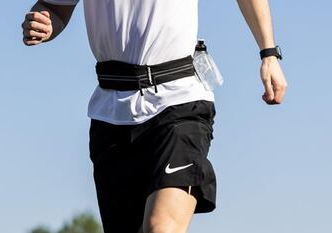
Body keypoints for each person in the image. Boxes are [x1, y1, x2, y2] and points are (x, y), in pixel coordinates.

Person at [21, 0, 287, 232]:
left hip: (178, 102)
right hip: (111, 115)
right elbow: (54, 7)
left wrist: (269, 54)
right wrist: (43, 23)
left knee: (161, 227)